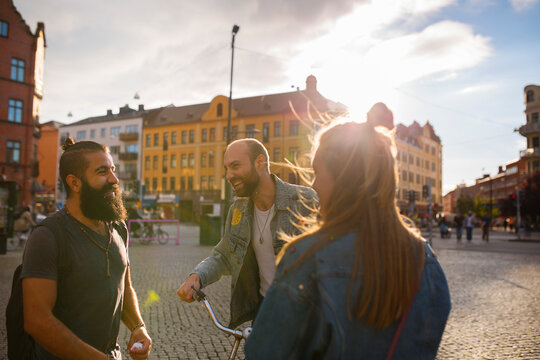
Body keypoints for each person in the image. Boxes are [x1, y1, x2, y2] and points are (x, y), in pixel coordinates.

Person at [245, 119, 451, 359]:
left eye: (317, 172)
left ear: (342, 178)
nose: (313, 185)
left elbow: (264, 352)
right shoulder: (427, 263)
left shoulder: (308, 258)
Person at [21, 138, 152, 359]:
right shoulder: (48, 236)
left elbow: (124, 287)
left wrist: (138, 326)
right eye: (102, 172)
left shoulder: (118, 228)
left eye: (113, 169)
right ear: (74, 183)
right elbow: (37, 320)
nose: (114, 179)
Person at [176, 138, 318, 328]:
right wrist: (197, 276)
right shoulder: (238, 209)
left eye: (235, 166)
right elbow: (223, 256)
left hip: (305, 316)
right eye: (227, 168)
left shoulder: (304, 201)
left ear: (260, 162)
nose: (228, 175)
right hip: (263, 313)